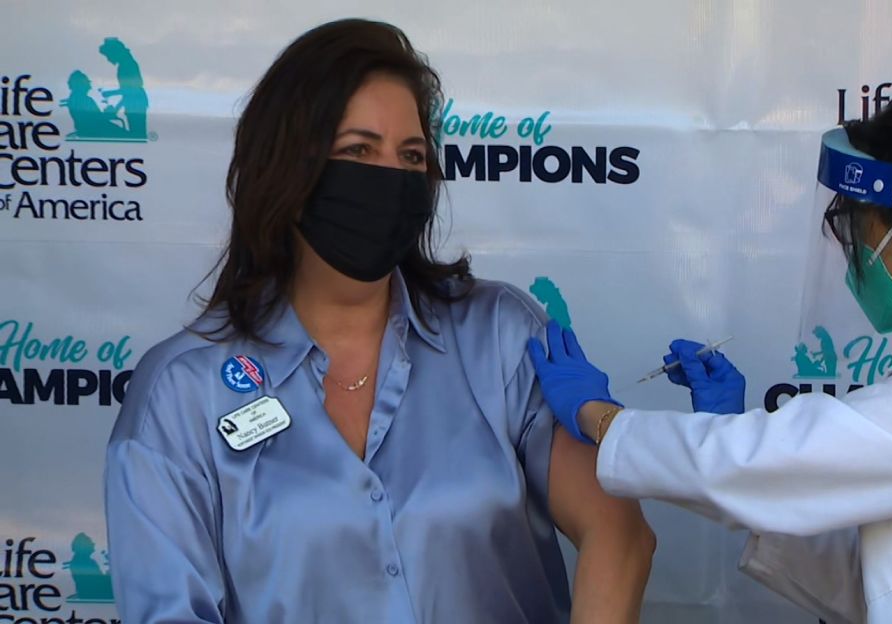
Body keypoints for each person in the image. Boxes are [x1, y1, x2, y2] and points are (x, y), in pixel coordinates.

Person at [104, 19, 654, 624]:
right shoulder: (182, 390)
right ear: (287, 167)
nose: (389, 178)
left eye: (411, 156)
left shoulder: (500, 334)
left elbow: (618, 537)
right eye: (358, 151)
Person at [526, 86, 892, 623]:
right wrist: (726, 431)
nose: (854, 253)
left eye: (860, 229)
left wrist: (601, 419)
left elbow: (768, 460)